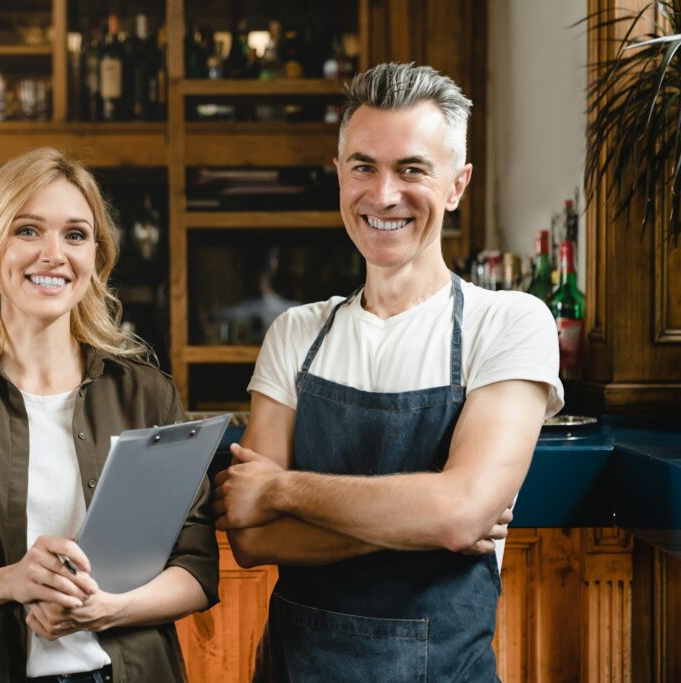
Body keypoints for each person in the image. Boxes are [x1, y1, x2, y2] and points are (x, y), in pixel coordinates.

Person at [213, 63, 564, 681]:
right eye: (363, 167)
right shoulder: (296, 334)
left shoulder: (508, 324)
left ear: (457, 185)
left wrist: (282, 488)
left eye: (412, 169)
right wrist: (423, 522)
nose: (383, 195)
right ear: (339, 176)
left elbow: (459, 512)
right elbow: (252, 536)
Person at [0, 147, 219, 683]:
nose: (54, 254)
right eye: (28, 230)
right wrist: (9, 582)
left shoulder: (148, 395)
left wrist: (109, 609)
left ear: (95, 258)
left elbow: (195, 570)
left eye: (75, 235)